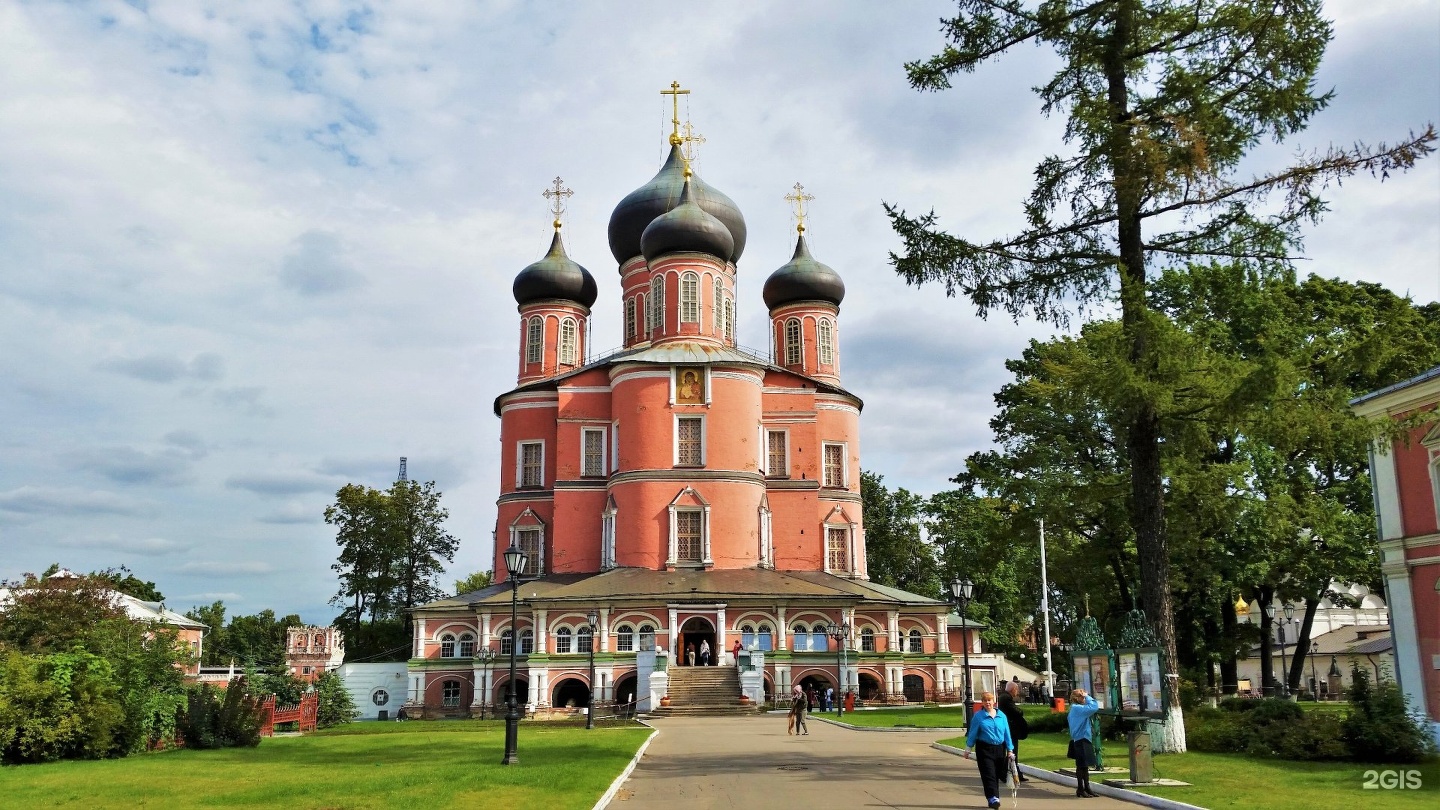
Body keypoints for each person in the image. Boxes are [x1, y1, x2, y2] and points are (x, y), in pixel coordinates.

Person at [964, 691, 1015, 810]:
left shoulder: (1001, 715)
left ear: (994, 701)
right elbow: (973, 733)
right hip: (984, 749)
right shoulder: (978, 716)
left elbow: (1007, 733)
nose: (988, 703)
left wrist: (1010, 749)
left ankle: (994, 797)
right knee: (989, 773)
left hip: (999, 748)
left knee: (996, 774)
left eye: (990, 700)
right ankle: (993, 798)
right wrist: (968, 748)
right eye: (985, 700)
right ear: (982, 702)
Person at [1068, 688, 1101, 798]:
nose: (1084, 698)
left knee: (1084, 766)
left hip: (1082, 738)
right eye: (1082, 696)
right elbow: (1094, 707)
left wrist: (1085, 697)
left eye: (1084, 696)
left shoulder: (1076, 708)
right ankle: (1080, 788)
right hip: (1081, 738)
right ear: (1077, 698)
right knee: (1081, 765)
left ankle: (1087, 787)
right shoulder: (1077, 708)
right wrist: (1088, 697)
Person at [997, 682, 1030, 782]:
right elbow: (1016, 711)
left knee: (1011, 752)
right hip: (1010, 729)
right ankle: (1007, 774)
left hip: (1008, 728)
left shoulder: (1004, 697)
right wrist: (1020, 711)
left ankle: (1015, 773)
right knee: (1012, 751)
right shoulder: (1006, 698)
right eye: (1017, 689)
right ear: (1013, 690)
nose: (1018, 691)